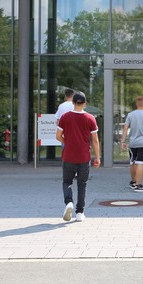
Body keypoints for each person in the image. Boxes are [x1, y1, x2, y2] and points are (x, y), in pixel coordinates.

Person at [56, 92, 101, 222]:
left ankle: (69, 202)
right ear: (85, 104)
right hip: (84, 156)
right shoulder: (90, 118)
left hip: (68, 155)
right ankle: (80, 212)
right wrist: (97, 157)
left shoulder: (65, 117)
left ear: (73, 103)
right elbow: (95, 140)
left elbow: (58, 136)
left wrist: (67, 142)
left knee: (67, 182)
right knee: (82, 184)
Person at [121, 96, 143, 192]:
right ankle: (138, 185)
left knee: (132, 162)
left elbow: (125, 128)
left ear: (136, 104)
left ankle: (133, 182)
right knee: (140, 163)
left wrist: (123, 141)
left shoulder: (130, 115)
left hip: (132, 143)